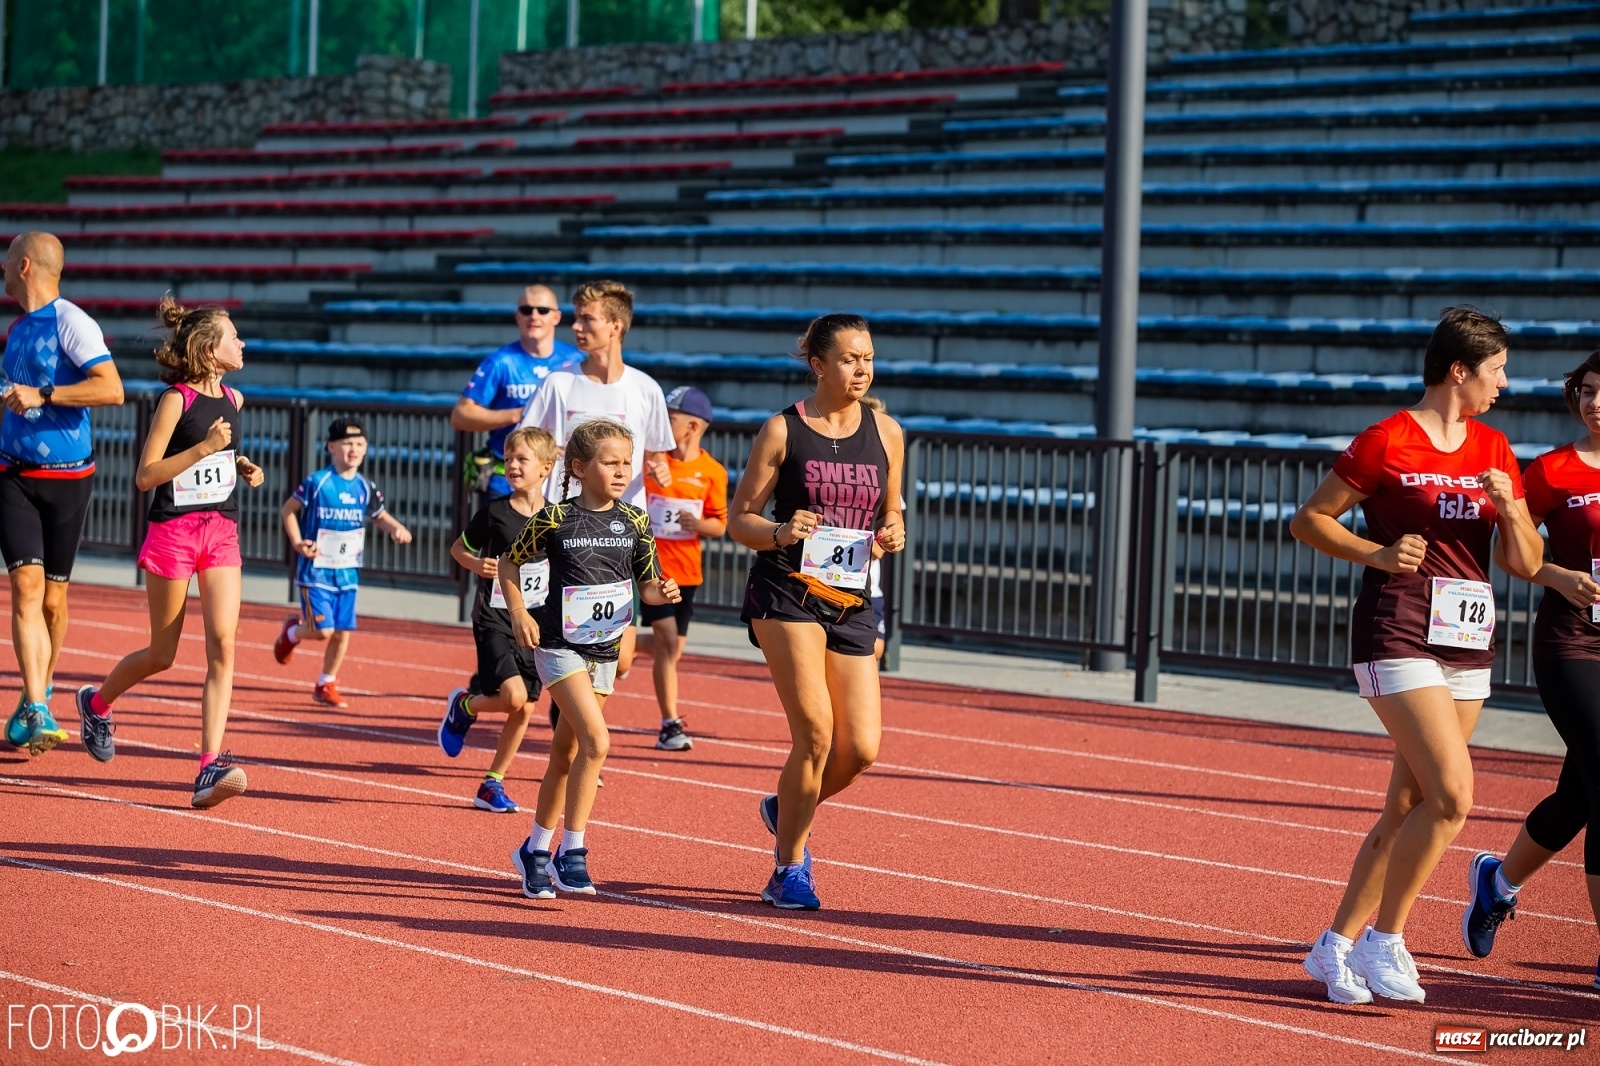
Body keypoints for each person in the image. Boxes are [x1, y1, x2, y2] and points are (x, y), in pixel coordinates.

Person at [1289, 306, 1544, 1004]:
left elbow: (1524, 563)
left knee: (1407, 803)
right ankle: (1386, 940)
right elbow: (1308, 520)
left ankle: (1334, 947)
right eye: (1496, 370)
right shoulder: (1386, 439)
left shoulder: (1494, 448)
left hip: (1466, 639)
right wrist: (1375, 551)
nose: (1504, 384)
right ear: (1458, 371)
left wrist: (1515, 510)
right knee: (1454, 796)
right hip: (1397, 630)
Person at [728, 313, 906, 910]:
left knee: (861, 748)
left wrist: (893, 529)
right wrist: (781, 531)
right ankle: (789, 867)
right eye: (851, 358)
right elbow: (740, 522)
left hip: (851, 594)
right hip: (786, 591)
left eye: (869, 358)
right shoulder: (782, 431)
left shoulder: (888, 433)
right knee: (816, 736)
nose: (862, 369)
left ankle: (786, 808)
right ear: (819, 365)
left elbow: (892, 510)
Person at [74, 296, 265, 808]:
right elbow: (145, 476)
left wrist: (239, 465)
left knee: (224, 645)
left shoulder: (235, 399)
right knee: (163, 653)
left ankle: (208, 766)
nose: (242, 343)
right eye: (234, 336)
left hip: (220, 529)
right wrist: (203, 450)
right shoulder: (174, 401)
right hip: (174, 534)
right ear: (208, 347)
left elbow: (220, 457)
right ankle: (96, 702)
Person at [1460, 349, 1600, 991]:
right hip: (1572, 646)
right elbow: (1513, 554)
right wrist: (1556, 575)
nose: (1595, 403)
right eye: (1587, 390)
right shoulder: (1553, 470)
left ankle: (1499, 881)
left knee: (1580, 794)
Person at [502, 418, 679, 898]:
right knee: (597, 744)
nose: (622, 471)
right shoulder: (554, 519)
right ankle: (572, 850)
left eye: (627, 462)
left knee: (567, 753)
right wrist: (519, 610)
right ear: (579, 467)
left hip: (604, 648)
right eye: (610, 462)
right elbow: (510, 560)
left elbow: (645, 584)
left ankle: (535, 849)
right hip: (558, 644)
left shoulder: (635, 520)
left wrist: (662, 591)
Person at [517, 279, 675, 688]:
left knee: (619, 662)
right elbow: (528, 445)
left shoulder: (645, 389)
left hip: (620, 535)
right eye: (575, 318)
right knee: (565, 647)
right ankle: (572, 725)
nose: (575, 327)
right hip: (564, 532)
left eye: (587, 319)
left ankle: (570, 724)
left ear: (615, 327)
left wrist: (659, 468)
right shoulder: (559, 383)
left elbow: (657, 452)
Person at [1, 231, 124, 757]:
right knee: (26, 591)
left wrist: (44, 393)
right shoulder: (16, 329)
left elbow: (111, 388)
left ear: (25, 266)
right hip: (14, 478)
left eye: (8, 260)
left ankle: (42, 689)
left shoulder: (71, 321)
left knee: (54, 599)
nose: (3, 268)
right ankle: (36, 706)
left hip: (70, 481)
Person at [439, 426, 559, 813]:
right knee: (514, 697)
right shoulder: (494, 512)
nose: (512, 466)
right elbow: (458, 549)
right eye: (508, 459)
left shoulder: (557, 517)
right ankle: (465, 706)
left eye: (522, 459)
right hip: (494, 615)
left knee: (524, 709)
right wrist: (479, 564)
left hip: (535, 621)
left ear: (545, 467)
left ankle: (492, 782)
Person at [272, 419, 413, 707]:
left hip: (347, 571)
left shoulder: (365, 487)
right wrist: (299, 543)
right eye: (347, 443)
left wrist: (397, 528)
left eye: (360, 444)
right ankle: (292, 632)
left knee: (342, 631)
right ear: (331, 447)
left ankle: (326, 683)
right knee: (322, 631)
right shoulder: (317, 482)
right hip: (316, 570)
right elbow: (288, 510)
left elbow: (379, 516)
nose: (354, 449)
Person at [637, 385, 728, 752]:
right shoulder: (651, 462)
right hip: (652, 569)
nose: (660, 425)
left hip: (688, 572)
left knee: (668, 652)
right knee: (668, 643)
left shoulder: (712, 472)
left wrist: (697, 524)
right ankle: (669, 724)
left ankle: (621, 648)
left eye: (669, 420)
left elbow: (719, 525)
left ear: (692, 427)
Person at [450, 283, 581, 504]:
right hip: (506, 481)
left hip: (559, 480)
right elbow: (460, 416)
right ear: (517, 317)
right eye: (526, 310)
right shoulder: (502, 361)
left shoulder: (575, 360)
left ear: (556, 317)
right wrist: (520, 414)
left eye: (543, 310)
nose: (534, 316)